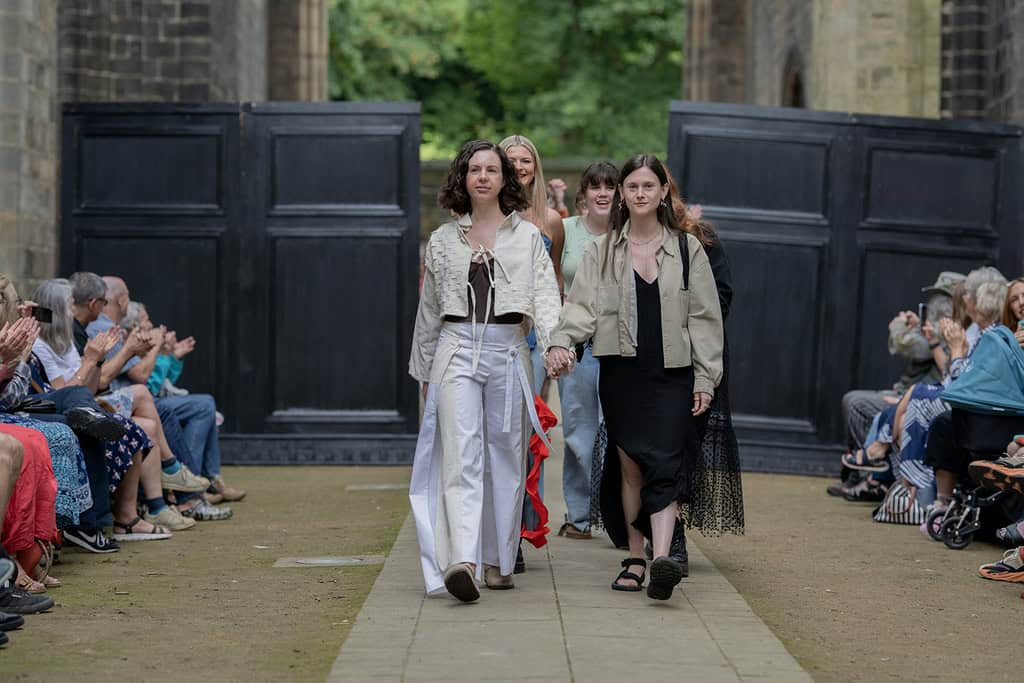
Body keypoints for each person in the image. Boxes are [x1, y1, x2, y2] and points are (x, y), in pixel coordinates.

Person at [547, 154, 724, 601]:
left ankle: (662, 559)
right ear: (623, 194)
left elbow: (705, 318)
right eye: (633, 187)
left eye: (649, 186)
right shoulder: (603, 252)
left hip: (673, 373)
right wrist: (561, 342)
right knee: (630, 467)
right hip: (621, 370)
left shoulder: (688, 250)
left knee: (666, 461)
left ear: (664, 191)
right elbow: (581, 308)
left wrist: (706, 378)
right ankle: (634, 555)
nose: (640, 194)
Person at [408, 140, 561, 602]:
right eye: (474, 169)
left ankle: (498, 559)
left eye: (491, 169)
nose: (482, 176)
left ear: (504, 179)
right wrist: (425, 372)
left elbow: (546, 297)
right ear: (462, 178)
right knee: (460, 454)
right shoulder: (442, 240)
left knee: (507, 454)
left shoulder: (529, 237)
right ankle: (464, 560)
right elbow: (429, 311)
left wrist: (555, 346)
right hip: (455, 350)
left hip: (509, 349)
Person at [498, 134, 565, 570]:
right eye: (511, 159)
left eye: (526, 160)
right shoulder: (487, 215)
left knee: (525, 434)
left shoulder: (552, 221)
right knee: (495, 434)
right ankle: (491, 528)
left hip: (534, 340)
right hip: (495, 333)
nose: (520, 166)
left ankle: (519, 532)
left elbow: (554, 285)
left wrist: (556, 341)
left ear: (535, 167)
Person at [555, 162, 618, 540]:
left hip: (618, 347)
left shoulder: (630, 235)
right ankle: (579, 516)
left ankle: (615, 516)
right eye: (596, 186)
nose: (603, 192)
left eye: (610, 186)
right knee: (579, 432)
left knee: (617, 434)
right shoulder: (565, 231)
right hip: (577, 348)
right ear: (584, 195)